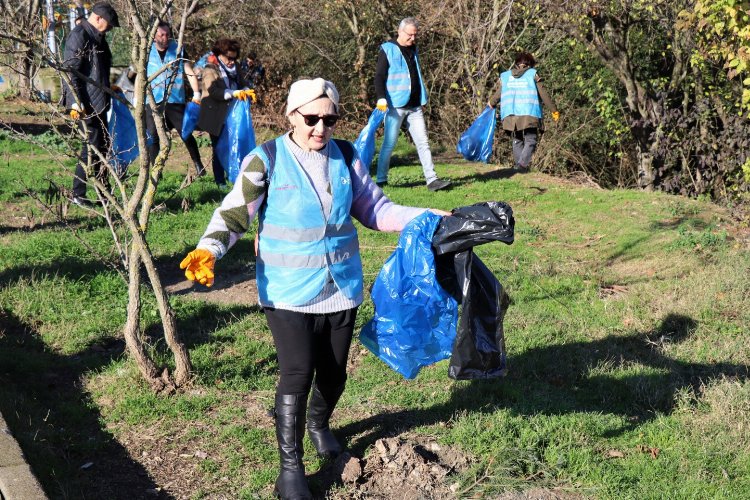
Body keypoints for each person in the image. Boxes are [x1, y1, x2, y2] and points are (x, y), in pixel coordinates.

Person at [180, 78, 449, 499]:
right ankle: (291, 469)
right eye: (311, 118)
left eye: (330, 118)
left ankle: (319, 424)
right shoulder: (264, 159)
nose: (320, 127)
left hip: (341, 286)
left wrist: (431, 216)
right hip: (286, 289)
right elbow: (234, 214)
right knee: (297, 372)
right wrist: (209, 249)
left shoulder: (346, 156)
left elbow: (377, 209)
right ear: (291, 115)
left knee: (335, 372)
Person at [374, 17, 451, 192]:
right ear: (400, 32)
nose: (413, 39)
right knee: (389, 144)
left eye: (415, 35)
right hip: (395, 106)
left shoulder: (413, 49)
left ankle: (432, 180)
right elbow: (379, 76)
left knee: (423, 142)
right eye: (410, 35)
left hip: (415, 106)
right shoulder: (388, 50)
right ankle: (380, 180)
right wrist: (380, 98)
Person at [62, 1, 119, 207]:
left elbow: (98, 70)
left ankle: (104, 193)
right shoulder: (80, 36)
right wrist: (75, 103)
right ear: (97, 18)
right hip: (84, 105)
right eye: (109, 24)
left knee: (103, 147)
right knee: (91, 147)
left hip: (99, 101)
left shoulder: (98, 38)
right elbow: (70, 73)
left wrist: (110, 87)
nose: (111, 28)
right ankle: (78, 193)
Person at [142, 21, 206, 176]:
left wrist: (197, 93)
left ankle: (199, 165)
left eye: (167, 34)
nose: (165, 38)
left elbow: (188, 70)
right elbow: (139, 75)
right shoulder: (146, 51)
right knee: (153, 136)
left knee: (186, 133)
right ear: (154, 36)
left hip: (174, 100)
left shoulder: (177, 49)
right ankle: (157, 171)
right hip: (152, 101)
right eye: (161, 35)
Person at [197, 38, 254, 189]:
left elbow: (243, 83)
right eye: (229, 58)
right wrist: (233, 93)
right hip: (215, 115)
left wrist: (247, 90)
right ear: (220, 54)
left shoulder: (236, 68)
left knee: (235, 144)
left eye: (234, 58)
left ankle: (234, 175)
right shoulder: (211, 69)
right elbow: (213, 91)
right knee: (218, 148)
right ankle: (220, 181)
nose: (231, 61)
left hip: (233, 116)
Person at [488, 51, 560, 172]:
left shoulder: (506, 76)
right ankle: (521, 165)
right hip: (529, 113)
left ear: (516, 64)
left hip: (511, 115)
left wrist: (491, 103)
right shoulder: (532, 74)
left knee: (518, 140)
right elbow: (543, 93)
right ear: (530, 64)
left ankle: (519, 167)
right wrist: (554, 110)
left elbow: (499, 92)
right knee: (531, 139)